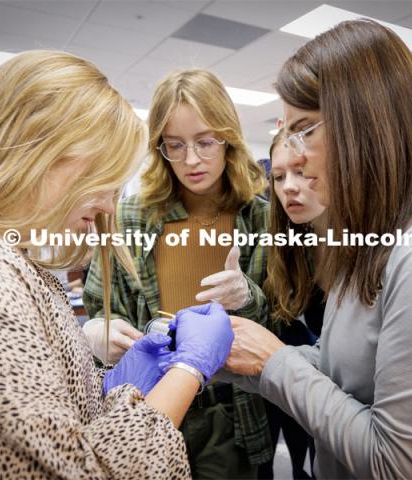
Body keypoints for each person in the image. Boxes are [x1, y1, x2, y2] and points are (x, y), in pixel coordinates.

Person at [187, 19, 412, 479]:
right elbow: (345, 373)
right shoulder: (373, 234)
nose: (295, 158)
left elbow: (405, 466)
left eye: (305, 130)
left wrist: (275, 362)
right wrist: (235, 359)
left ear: (367, 123)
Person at [0, 50, 235, 479]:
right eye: (104, 180)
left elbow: (52, 421)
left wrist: (103, 388)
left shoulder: (10, 260)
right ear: (40, 151)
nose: (111, 204)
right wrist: (187, 369)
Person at [82, 68, 273, 479]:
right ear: (159, 147)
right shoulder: (130, 217)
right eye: (175, 145)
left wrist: (247, 298)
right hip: (145, 399)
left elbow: (281, 325)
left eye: (205, 142)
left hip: (231, 406)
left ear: (229, 140)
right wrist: (98, 329)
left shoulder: (261, 217)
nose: (191, 160)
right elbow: (100, 305)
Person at [258, 129, 326, 480]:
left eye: (300, 172)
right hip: (291, 386)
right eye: (279, 176)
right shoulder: (285, 242)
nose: (288, 187)